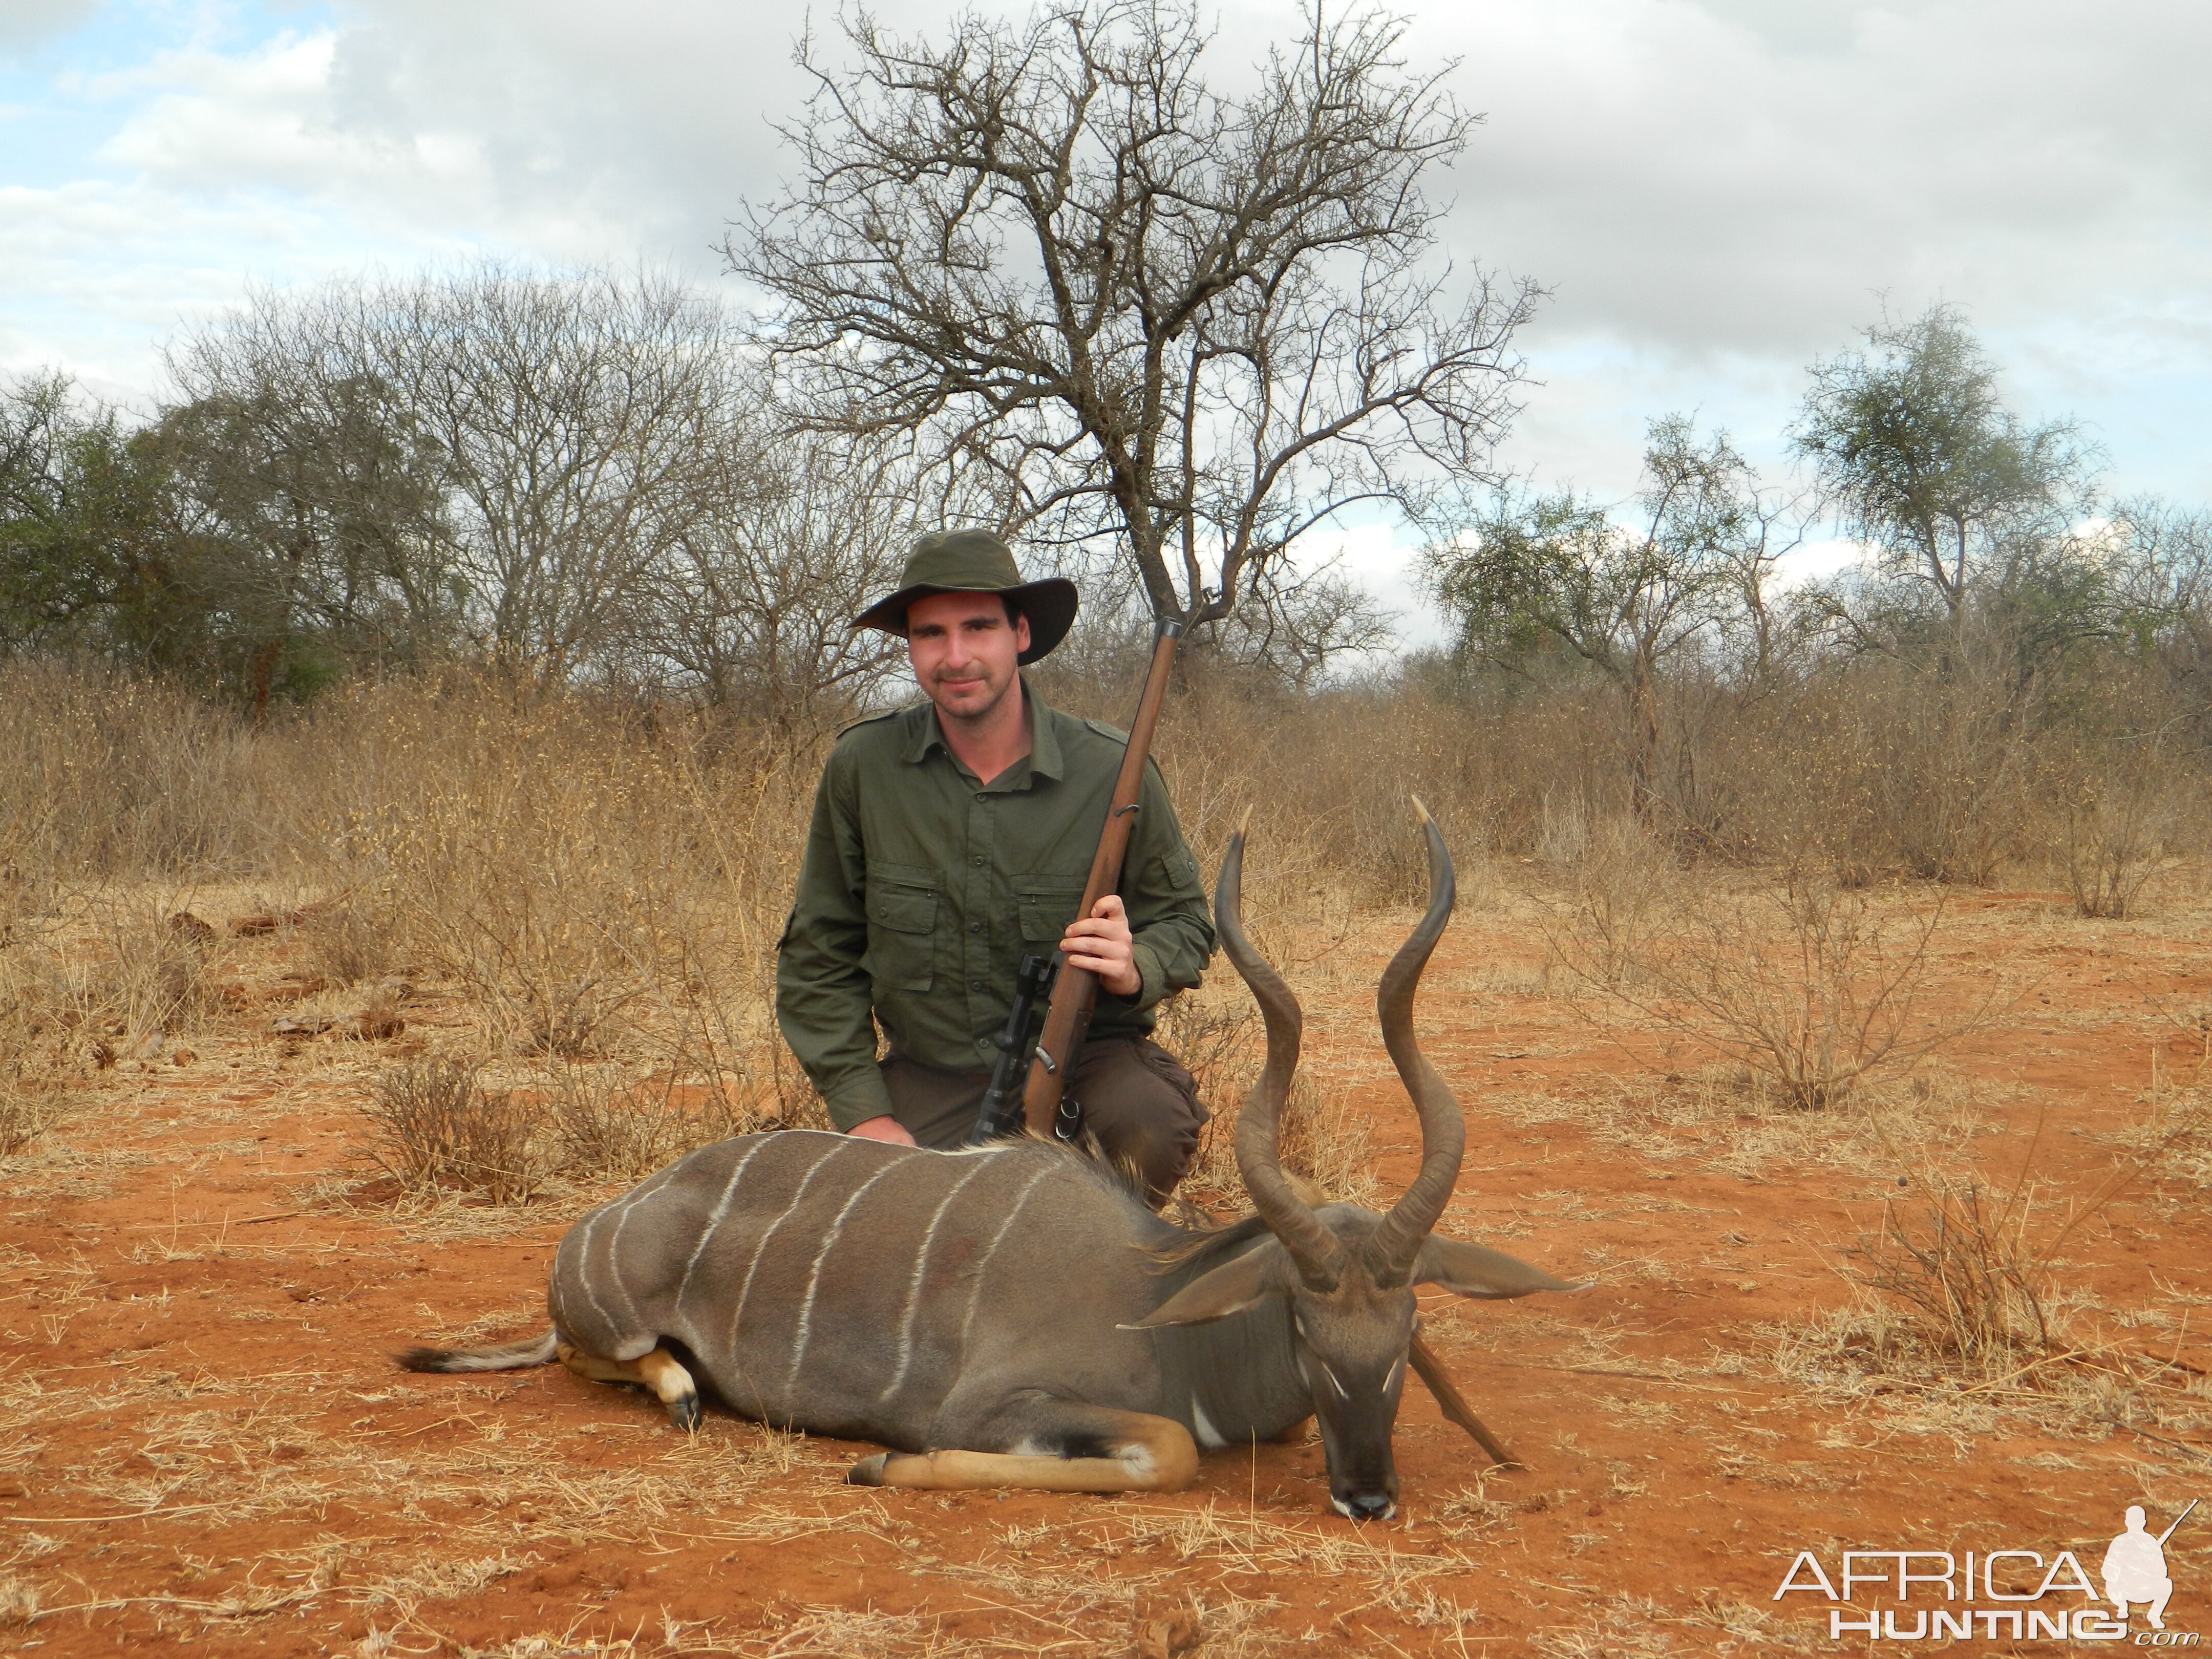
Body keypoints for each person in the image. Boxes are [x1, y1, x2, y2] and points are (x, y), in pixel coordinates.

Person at [775, 529, 1215, 1203]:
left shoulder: (1114, 769)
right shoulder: (862, 768)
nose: (955, 657)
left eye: (978, 627)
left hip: (1088, 1066)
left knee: (1145, 1127)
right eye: (931, 634)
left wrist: (1135, 967)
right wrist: (868, 1115)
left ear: (1019, 633)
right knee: (892, 1225)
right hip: (935, 1074)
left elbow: (1185, 924)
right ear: (912, 647)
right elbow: (818, 959)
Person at [2101, 1505, 2174, 1629]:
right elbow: (2163, 1572)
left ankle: (2123, 1607)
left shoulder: (2120, 1540)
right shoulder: (2150, 1541)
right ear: (2144, 1522)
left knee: (2110, 1582)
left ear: (2127, 1523)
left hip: (2125, 1590)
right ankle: (2154, 1615)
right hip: (2144, 1590)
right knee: (2167, 1584)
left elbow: (2107, 1570)